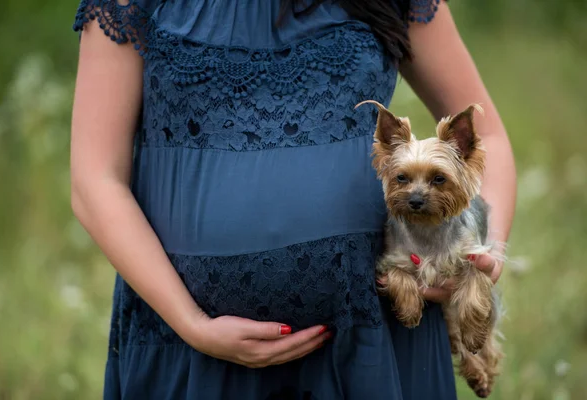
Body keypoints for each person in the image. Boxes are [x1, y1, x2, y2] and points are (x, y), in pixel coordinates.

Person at [70, 0, 516, 398]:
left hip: (376, 342)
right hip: (190, 352)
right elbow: (95, 180)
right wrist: (192, 324)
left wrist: (482, 252)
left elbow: (486, 136)